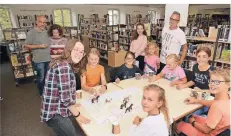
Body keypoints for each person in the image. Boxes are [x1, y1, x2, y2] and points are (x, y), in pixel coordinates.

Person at [40, 39, 90, 136]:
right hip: (55, 113)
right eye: (76, 49)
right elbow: (66, 99)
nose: (79, 54)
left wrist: (73, 104)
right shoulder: (64, 67)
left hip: (55, 107)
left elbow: (64, 90)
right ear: (69, 49)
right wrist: (78, 115)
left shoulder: (63, 62)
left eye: (81, 52)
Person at [176, 68, 230, 136]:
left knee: (178, 124)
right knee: (193, 116)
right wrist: (197, 100)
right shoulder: (227, 97)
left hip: (208, 133)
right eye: (211, 81)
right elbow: (213, 102)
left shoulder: (217, 106)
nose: (212, 84)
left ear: (228, 85)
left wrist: (193, 122)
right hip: (220, 129)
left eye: (217, 82)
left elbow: (206, 130)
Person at [24, 15, 50, 96]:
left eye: (44, 22)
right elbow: (26, 45)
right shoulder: (31, 33)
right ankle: (42, 93)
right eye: (40, 22)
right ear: (37, 22)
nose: (42, 24)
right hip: (39, 60)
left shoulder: (47, 32)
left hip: (49, 59)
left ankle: (48, 91)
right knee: (41, 78)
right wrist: (39, 46)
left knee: (48, 77)